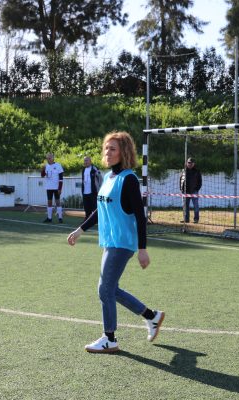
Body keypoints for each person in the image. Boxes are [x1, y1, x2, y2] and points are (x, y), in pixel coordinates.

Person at [67, 132, 164, 353]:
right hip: (110, 242)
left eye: (113, 149)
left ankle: (109, 338)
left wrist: (142, 249)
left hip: (123, 243)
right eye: (106, 148)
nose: (107, 152)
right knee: (111, 289)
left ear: (124, 152)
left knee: (104, 289)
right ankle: (151, 316)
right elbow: (99, 210)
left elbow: (140, 216)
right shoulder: (108, 177)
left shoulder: (128, 179)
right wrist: (80, 230)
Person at [41, 153, 64, 223]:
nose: (48, 159)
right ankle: (49, 218)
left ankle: (60, 218)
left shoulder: (58, 165)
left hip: (56, 187)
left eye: (49, 158)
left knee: (58, 202)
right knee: (49, 202)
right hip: (48, 187)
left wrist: (60, 188)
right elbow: (42, 175)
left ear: (53, 158)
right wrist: (43, 170)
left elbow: (61, 178)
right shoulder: (46, 166)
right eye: (47, 158)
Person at [180, 157, 202, 223]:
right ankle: (186, 219)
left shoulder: (197, 171)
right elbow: (181, 180)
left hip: (194, 191)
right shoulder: (183, 171)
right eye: (188, 163)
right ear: (186, 163)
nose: (190, 164)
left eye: (191, 163)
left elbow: (200, 182)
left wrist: (197, 189)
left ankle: (196, 219)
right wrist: (181, 189)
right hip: (185, 191)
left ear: (194, 164)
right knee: (185, 206)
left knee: (196, 206)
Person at [81, 156, 103, 221]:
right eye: (84, 161)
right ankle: (87, 219)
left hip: (93, 191)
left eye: (87, 160)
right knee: (86, 207)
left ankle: (97, 220)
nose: (85, 162)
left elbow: (100, 179)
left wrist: (99, 188)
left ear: (90, 161)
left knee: (94, 207)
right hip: (85, 192)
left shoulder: (94, 169)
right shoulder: (83, 170)